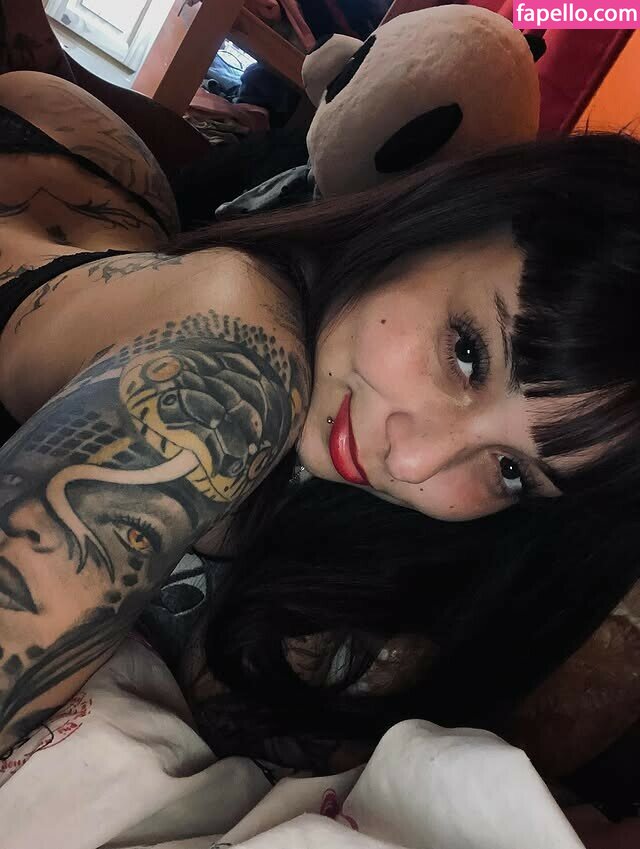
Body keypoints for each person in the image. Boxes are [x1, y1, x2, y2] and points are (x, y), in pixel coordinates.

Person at [0, 65, 639, 768]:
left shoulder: (379, 558)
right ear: (455, 218)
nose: (414, 463)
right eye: (467, 353)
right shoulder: (239, 367)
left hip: (116, 191)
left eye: (512, 471)